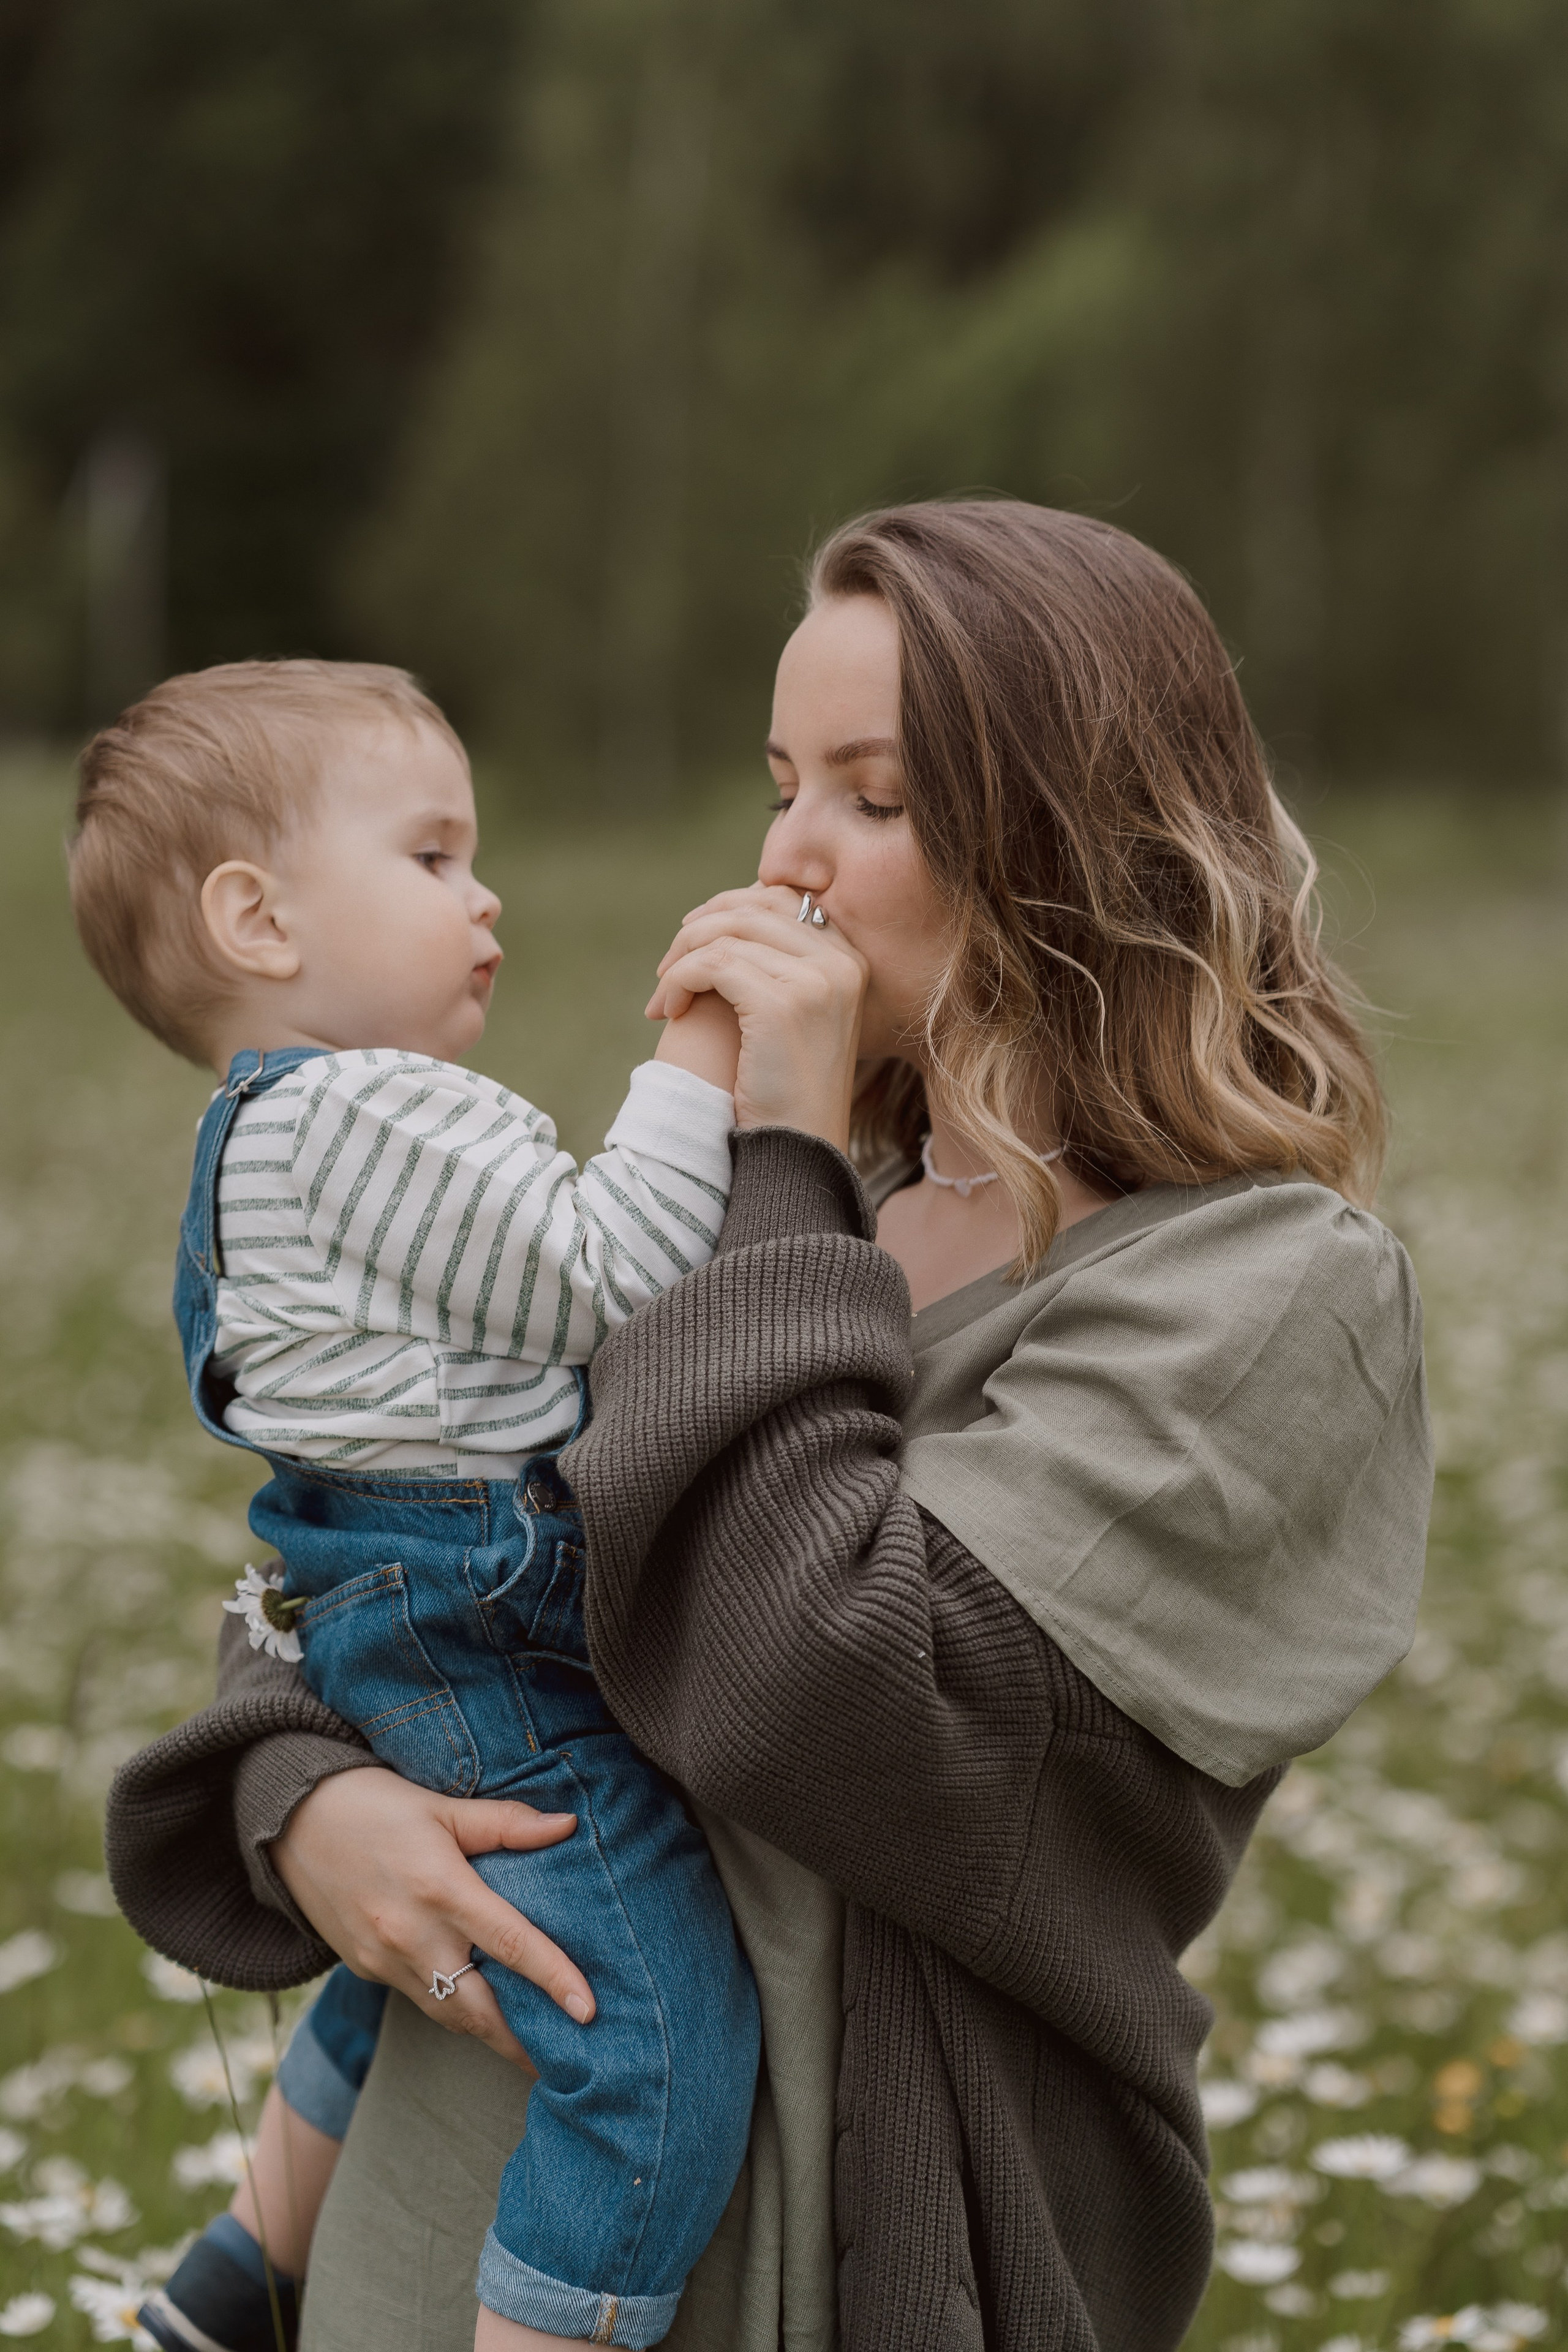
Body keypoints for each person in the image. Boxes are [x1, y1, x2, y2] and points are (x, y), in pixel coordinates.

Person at [107, 502, 1434, 2352]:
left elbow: (824, 1684)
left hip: (856, 2251)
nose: (790, 863)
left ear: (1075, 848)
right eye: (782, 783)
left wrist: (782, 1169)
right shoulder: (801, 1198)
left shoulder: (1267, 1291)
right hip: (451, 2210)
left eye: (874, 801)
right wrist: (302, 1794)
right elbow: (415, 1544)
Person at [74, 660, 761, 2352]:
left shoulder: (276, 1134)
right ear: (256, 917)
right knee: (649, 2026)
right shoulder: (363, 1111)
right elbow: (611, 1275)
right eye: (435, 855)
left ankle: (239, 2275)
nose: (486, 894)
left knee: (447, 1946)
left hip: (407, 1587)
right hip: (481, 1605)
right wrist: (701, 1057)